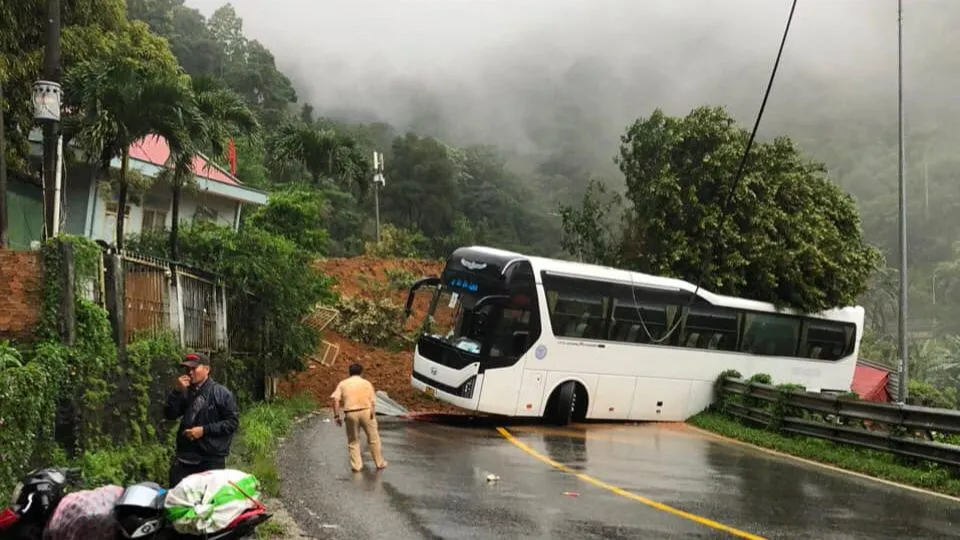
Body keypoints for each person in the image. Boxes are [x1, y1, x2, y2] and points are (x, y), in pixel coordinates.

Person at [163, 352, 240, 487]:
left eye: (194, 368)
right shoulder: (184, 391)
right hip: (185, 456)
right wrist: (176, 392)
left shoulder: (221, 393)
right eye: (187, 369)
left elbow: (232, 423)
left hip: (211, 458)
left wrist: (203, 430)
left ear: (207, 369)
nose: (190, 372)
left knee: (208, 501)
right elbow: (170, 414)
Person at [330, 363, 388, 472]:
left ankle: (356, 466)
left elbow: (335, 400)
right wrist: (372, 414)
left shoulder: (343, 384)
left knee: (353, 441)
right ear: (361, 372)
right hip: (366, 411)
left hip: (350, 413)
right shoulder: (366, 383)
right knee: (373, 439)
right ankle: (379, 463)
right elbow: (373, 401)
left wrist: (337, 416)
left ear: (349, 372)